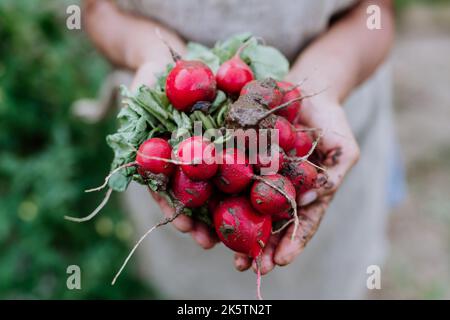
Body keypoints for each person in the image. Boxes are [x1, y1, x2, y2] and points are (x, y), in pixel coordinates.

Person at [82, 0, 396, 299]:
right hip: (176, 164)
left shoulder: (290, 147)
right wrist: (149, 54)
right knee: (189, 284)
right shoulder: (183, 155)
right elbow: (96, 11)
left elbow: (377, 12)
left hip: (327, 117)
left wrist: (325, 83)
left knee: (329, 281)